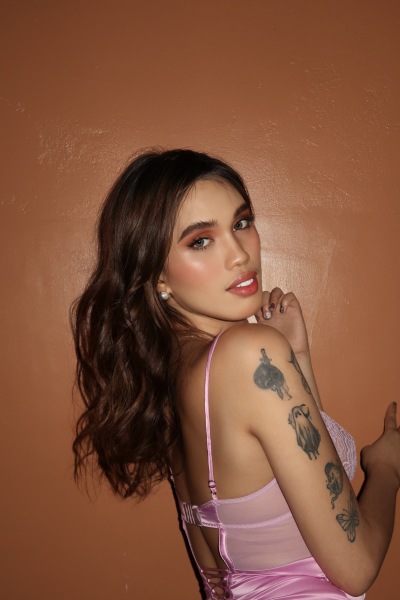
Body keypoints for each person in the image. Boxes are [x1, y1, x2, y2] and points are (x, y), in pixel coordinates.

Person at [72, 148, 400, 599]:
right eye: (200, 240)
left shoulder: (173, 381)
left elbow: (300, 505)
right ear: (157, 275)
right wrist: (385, 469)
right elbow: (356, 566)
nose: (240, 255)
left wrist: (297, 356)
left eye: (241, 222)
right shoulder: (248, 354)